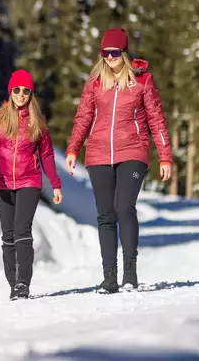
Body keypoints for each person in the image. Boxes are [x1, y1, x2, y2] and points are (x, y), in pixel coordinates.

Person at [64, 28, 172, 294]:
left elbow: (157, 119)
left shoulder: (142, 81)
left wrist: (165, 156)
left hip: (133, 151)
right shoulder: (95, 83)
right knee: (105, 215)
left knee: (124, 207)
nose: (109, 57)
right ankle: (109, 277)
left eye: (114, 52)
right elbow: (83, 118)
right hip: (99, 154)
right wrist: (72, 149)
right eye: (105, 52)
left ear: (124, 53)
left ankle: (130, 274)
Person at [0, 69, 63, 300]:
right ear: (10, 91)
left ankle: (23, 284)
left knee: (22, 229)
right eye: (16, 90)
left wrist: (55, 184)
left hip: (29, 180)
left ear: (31, 94)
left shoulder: (37, 121)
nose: (20, 94)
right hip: (1, 182)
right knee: (8, 234)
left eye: (25, 91)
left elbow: (47, 155)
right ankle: (13, 282)